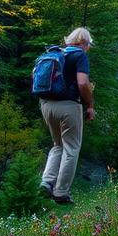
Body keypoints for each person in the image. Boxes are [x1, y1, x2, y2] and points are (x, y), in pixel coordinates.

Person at [39, 27, 95, 205]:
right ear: (84, 43)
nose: (89, 49)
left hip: (46, 105)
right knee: (71, 147)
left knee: (58, 145)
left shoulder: (56, 53)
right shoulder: (79, 56)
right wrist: (90, 105)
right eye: (89, 45)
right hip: (68, 106)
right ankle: (61, 192)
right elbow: (83, 83)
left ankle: (46, 182)